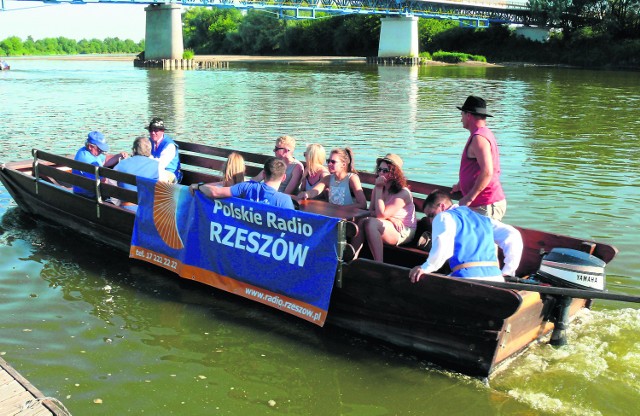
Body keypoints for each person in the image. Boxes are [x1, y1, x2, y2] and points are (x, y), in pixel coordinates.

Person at [409, 190, 522, 283]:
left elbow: (443, 249)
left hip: (466, 279)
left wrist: (426, 268)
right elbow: (513, 235)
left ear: (442, 206)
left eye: (431, 215)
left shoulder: (443, 217)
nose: (431, 220)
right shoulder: (481, 218)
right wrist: (508, 271)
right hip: (496, 280)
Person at [350, 154, 417, 262]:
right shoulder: (378, 189)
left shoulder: (403, 193)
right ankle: (351, 260)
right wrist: (390, 218)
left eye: (385, 171)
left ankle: (379, 264)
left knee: (371, 223)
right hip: (388, 224)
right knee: (362, 222)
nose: (381, 173)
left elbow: (380, 215)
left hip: (403, 230)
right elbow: (371, 211)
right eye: (379, 169)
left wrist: (379, 188)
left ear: (395, 173)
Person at [451, 95, 506, 221]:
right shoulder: (483, 134)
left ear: (468, 115)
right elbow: (475, 168)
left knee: (482, 240)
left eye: (462, 115)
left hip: (486, 204)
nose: (461, 119)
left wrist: (469, 197)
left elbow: (487, 172)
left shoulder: (479, 138)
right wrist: (461, 184)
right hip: (483, 204)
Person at [190, 157, 295, 210]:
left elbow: (215, 192)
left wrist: (198, 186)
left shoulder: (246, 187)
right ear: (284, 178)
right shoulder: (285, 201)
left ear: (263, 174)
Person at [295, 147, 367, 209]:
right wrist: (307, 194)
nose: (329, 164)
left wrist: (342, 209)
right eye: (328, 161)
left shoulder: (352, 178)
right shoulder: (328, 178)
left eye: (333, 162)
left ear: (343, 164)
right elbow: (315, 191)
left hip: (347, 218)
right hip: (332, 215)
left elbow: (362, 204)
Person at [113, 136, 171, 211]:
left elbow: (111, 186)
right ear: (149, 150)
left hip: (124, 210)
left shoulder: (121, 164)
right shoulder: (157, 166)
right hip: (147, 212)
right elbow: (164, 191)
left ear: (134, 150)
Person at [72, 131, 127, 197]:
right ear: (90, 146)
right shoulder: (88, 161)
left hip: (89, 191)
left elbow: (105, 159)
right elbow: (103, 182)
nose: (101, 151)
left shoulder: (86, 151)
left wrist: (118, 156)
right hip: (89, 196)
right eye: (99, 149)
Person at [147, 117, 182, 183]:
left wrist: (146, 161)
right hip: (154, 172)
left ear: (162, 131)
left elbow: (160, 165)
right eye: (150, 130)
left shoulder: (170, 146)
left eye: (156, 130)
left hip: (171, 175)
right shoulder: (149, 142)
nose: (153, 132)